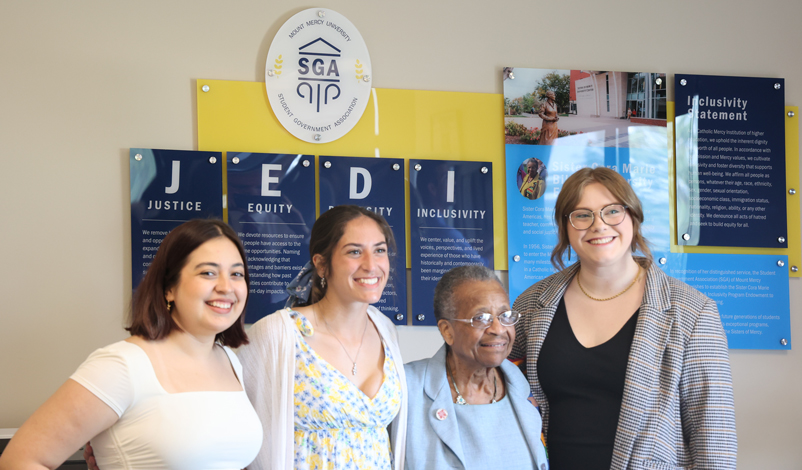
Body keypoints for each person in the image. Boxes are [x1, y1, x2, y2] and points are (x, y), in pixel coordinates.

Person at [511, 167, 736, 469]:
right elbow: (497, 388)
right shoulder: (531, 304)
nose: (598, 225)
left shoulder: (692, 312)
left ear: (633, 217)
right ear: (565, 227)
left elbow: (714, 441)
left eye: (612, 211)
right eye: (582, 215)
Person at [0, 219, 263, 470]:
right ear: (168, 288)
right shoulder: (121, 366)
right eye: (208, 272)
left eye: (237, 274)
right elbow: (19, 460)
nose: (226, 287)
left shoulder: (230, 360)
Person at [238, 205, 407, 470]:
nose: (371, 265)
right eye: (354, 252)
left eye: (380, 250)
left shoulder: (385, 330)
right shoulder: (279, 333)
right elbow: (244, 438)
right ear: (321, 264)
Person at [405, 265, 549, 470]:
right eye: (481, 318)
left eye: (505, 315)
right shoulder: (407, 388)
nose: (498, 329)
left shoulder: (523, 382)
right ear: (447, 331)